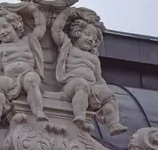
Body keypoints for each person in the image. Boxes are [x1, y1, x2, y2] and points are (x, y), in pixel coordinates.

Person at [52, 7, 127, 135]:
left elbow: (98, 77)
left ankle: (113, 124)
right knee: (82, 84)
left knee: (109, 95)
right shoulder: (68, 46)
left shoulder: (93, 58)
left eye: (94, 38)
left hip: (91, 87)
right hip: (70, 86)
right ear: (76, 32)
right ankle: (79, 116)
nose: (91, 39)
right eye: (87, 34)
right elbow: (56, 30)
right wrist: (66, 13)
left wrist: (104, 89)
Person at [0, 4, 47, 123]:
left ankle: (38, 111)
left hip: (28, 74)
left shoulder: (28, 40)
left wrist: (33, 10)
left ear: (15, 25)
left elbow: (41, 27)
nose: (2, 32)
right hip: (10, 80)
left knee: (31, 79)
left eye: (5, 27)